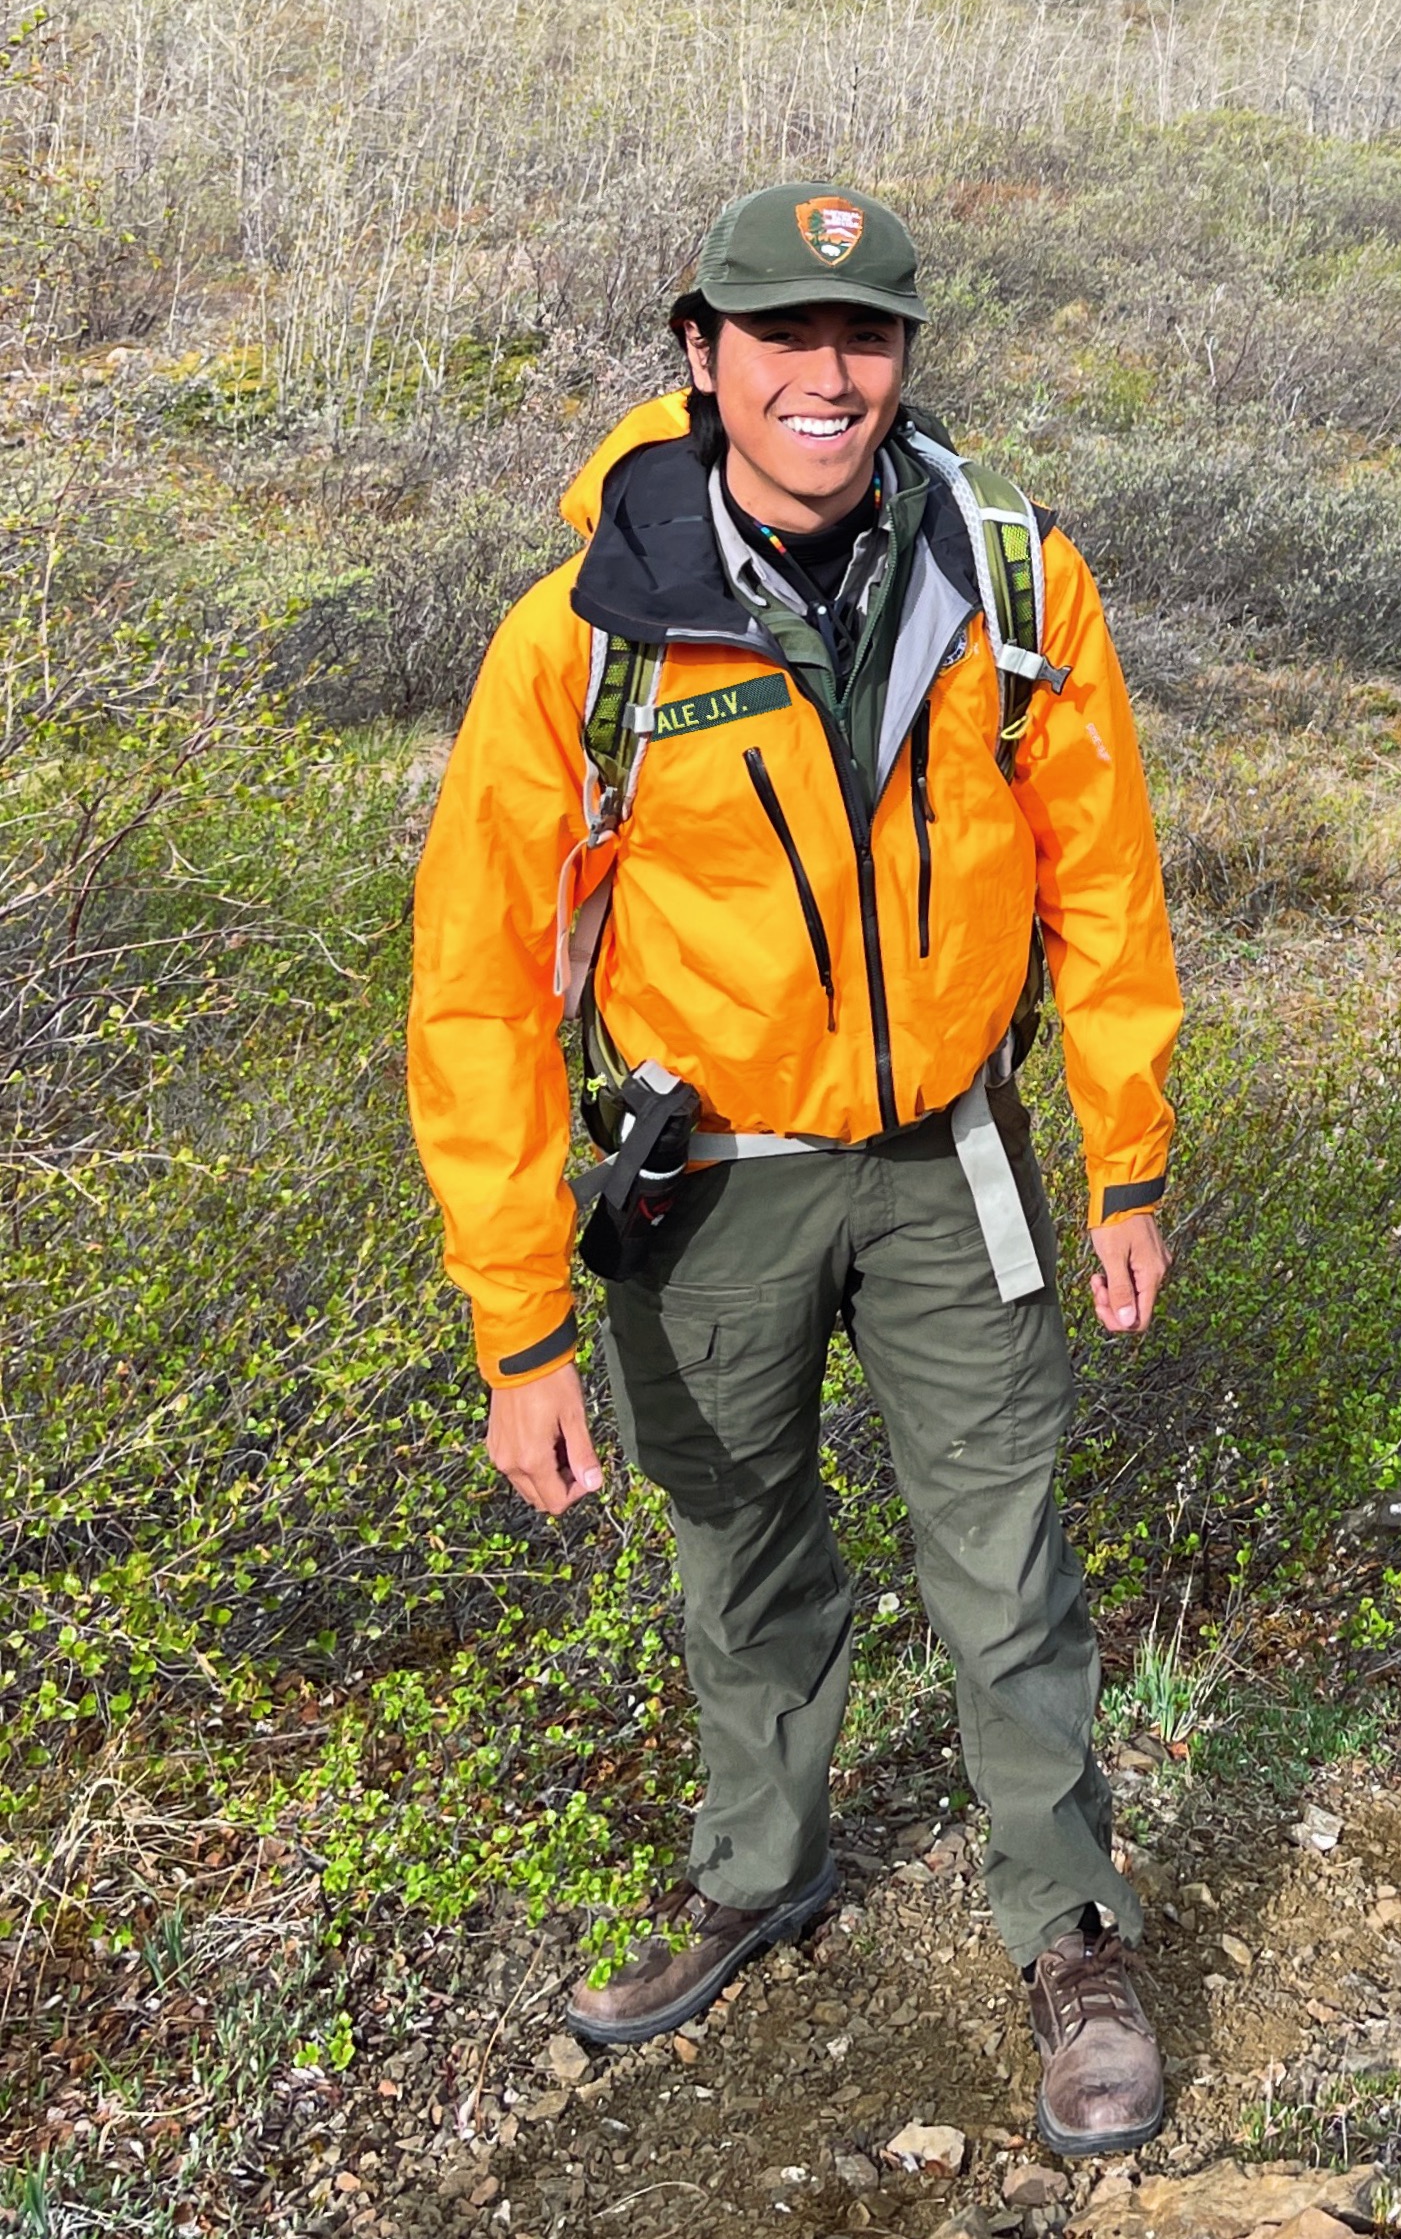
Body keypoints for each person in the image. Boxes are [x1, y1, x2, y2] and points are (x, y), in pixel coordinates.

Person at [408, 180, 1180, 2157]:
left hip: (954, 1162)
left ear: (903, 357)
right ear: (702, 356)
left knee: (1005, 1569)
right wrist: (516, 1322)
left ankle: (1072, 1933)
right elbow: (480, 986)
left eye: (865, 334)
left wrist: (1127, 1156)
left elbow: (1102, 882)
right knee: (738, 1555)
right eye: (783, 334)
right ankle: (762, 1872)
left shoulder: (1013, 584)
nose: (827, 373)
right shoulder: (590, 635)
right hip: (709, 1184)